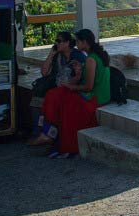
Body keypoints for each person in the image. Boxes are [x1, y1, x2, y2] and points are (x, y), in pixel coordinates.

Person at [28, 29, 111, 158]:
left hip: (94, 98)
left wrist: (71, 87)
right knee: (53, 94)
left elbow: (89, 87)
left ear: (84, 42)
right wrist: (78, 74)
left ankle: (51, 136)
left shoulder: (90, 59)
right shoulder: (95, 56)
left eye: (78, 41)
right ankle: (47, 134)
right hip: (93, 94)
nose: (76, 43)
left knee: (61, 100)